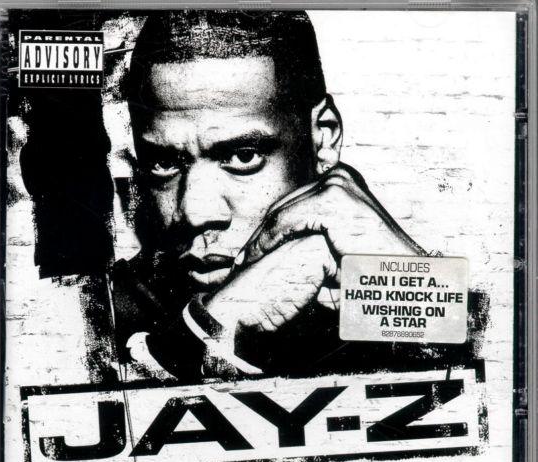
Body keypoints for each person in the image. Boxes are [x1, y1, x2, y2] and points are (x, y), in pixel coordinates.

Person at [112, 10, 467, 383]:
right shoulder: (94, 322)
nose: (195, 211)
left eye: (243, 157)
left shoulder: (376, 297)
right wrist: (210, 327)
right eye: (164, 162)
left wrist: (419, 293)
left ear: (322, 138)